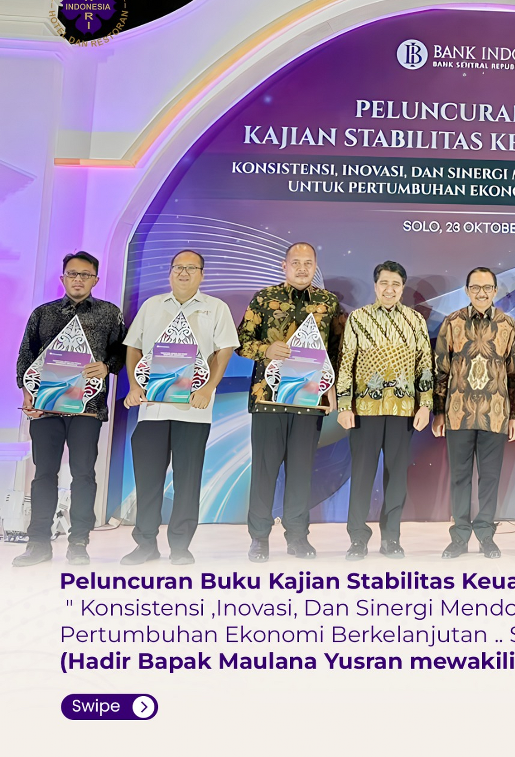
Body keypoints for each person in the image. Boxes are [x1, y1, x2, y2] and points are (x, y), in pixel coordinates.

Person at [120, 251, 239, 566]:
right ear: (170, 272)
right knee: (148, 481)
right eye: (178, 267)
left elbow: (224, 351)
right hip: (152, 409)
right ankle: (145, 544)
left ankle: (181, 545)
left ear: (202, 274)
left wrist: (208, 388)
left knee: (188, 482)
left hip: (194, 410)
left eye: (191, 268)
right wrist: (134, 385)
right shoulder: (152, 306)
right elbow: (133, 347)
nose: (183, 273)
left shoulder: (216, 308)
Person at [13, 252, 125, 566]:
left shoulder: (109, 313)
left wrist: (107, 366)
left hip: (87, 409)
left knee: (84, 474)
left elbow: (122, 354)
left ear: (96, 280)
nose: (78, 279)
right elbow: (25, 357)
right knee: (43, 475)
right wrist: (27, 393)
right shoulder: (43, 313)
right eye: (72, 274)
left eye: (85, 274)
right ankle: (38, 543)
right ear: (62, 278)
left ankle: (78, 542)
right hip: (46, 408)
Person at [237, 242, 343, 562]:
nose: (301, 268)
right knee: (264, 472)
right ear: (284, 266)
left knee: (301, 472)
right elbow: (241, 341)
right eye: (295, 262)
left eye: (308, 263)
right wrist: (266, 350)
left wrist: (332, 387)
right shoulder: (264, 298)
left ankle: (298, 537)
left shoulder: (328, 302)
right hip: (268, 399)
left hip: (309, 401)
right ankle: (259, 538)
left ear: (315, 267)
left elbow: (336, 350)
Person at [336, 261, 432, 560]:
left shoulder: (415, 321)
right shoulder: (358, 319)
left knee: (396, 478)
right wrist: (344, 405)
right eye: (384, 283)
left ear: (402, 288)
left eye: (396, 284)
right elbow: (346, 363)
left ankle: (391, 538)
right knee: (362, 476)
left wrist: (425, 405)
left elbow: (425, 365)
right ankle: (357, 539)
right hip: (365, 409)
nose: (389, 289)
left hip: (403, 410)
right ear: (376, 286)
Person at [433, 267, 515, 559]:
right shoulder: (453, 322)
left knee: (490, 478)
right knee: (459, 478)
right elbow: (441, 369)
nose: (481, 293)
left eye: (487, 288)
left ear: (495, 291)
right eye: (475, 287)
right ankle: (459, 537)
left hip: (495, 414)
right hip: (458, 413)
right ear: (467, 290)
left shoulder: (508, 325)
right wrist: (438, 411)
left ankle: (486, 535)